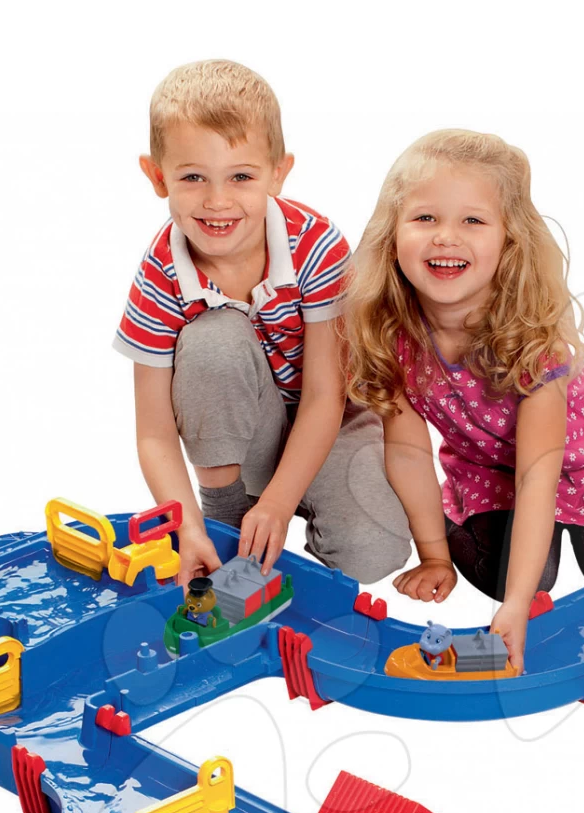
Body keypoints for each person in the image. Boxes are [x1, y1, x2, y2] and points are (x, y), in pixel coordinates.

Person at [343, 130, 584, 670]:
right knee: (522, 578)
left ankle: (572, 553)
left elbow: (538, 476)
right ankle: (476, 536)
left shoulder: (532, 340)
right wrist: (435, 556)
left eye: (473, 220)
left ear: (510, 239)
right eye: (425, 218)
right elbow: (407, 453)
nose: (446, 237)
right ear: (392, 234)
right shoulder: (392, 334)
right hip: (493, 473)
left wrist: (517, 609)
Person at [115, 61, 411, 584]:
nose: (217, 201)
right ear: (158, 177)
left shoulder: (316, 243)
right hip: (245, 436)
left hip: (332, 421)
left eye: (241, 177)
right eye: (192, 177)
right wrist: (189, 528)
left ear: (278, 172)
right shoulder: (161, 272)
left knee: (373, 555)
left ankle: (292, 507)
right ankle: (228, 516)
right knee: (214, 341)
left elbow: (324, 396)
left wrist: (278, 504)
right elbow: (155, 434)